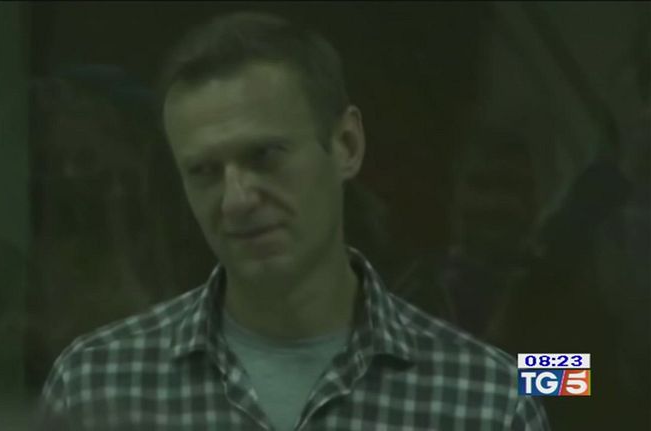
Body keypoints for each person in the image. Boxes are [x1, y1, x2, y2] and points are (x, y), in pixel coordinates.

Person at [36, 11, 549, 430]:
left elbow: (579, 375)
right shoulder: (96, 386)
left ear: (346, 145)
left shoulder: (485, 401)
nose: (236, 199)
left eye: (264, 157)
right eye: (205, 172)